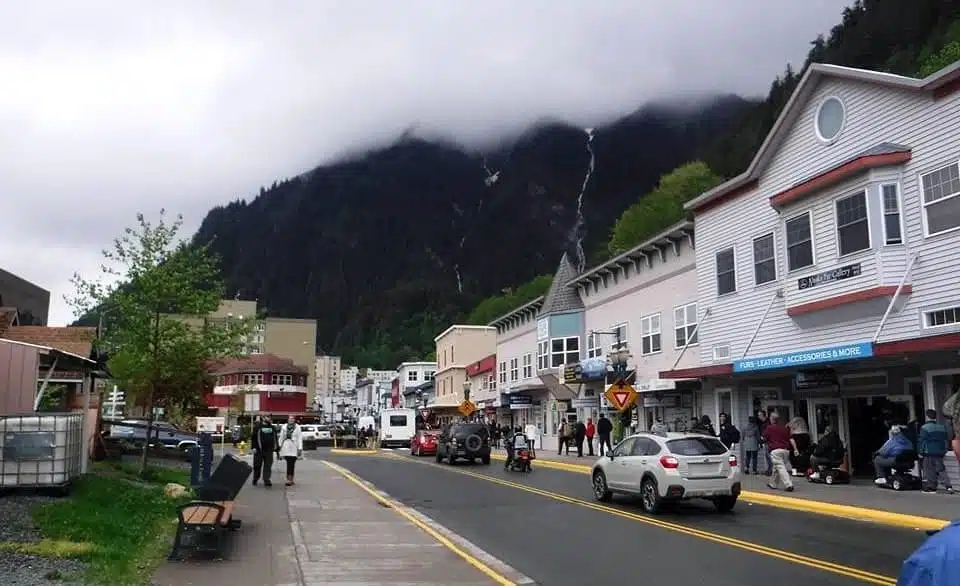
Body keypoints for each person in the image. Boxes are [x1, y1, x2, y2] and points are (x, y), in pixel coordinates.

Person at [919, 409, 954, 494]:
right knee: (941, 469)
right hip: (940, 451)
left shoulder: (924, 428)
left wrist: (920, 452)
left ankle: (932, 487)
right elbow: (946, 440)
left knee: (929, 469)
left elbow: (923, 441)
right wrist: (945, 450)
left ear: (927, 417)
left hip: (929, 451)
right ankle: (948, 486)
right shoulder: (941, 427)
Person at [762, 412, 794, 492]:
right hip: (786, 451)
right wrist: (795, 449)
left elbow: (763, 438)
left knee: (780, 467)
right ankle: (773, 484)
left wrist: (762, 440)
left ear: (772, 419)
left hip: (776, 450)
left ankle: (789, 485)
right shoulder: (785, 428)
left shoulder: (770, 428)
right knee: (776, 468)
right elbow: (791, 439)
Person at [251, 416, 276, 487]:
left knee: (268, 466)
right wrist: (253, 447)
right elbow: (253, 438)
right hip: (259, 450)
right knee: (257, 465)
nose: (270, 419)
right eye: (268, 417)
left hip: (269, 450)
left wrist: (276, 449)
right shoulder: (257, 427)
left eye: (270, 418)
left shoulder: (272, 428)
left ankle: (266, 479)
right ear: (264, 418)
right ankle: (255, 478)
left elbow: (275, 438)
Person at [278, 415, 304, 486]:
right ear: (288, 420)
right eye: (290, 418)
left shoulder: (297, 427)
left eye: (292, 418)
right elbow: (281, 437)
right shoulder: (284, 427)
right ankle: (289, 479)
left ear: (294, 420)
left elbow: (299, 438)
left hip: (294, 447)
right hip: (286, 447)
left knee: (292, 464)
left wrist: (300, 448)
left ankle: (290, 479)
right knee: (289, 463)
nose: (291, 420)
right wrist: (279, 446)